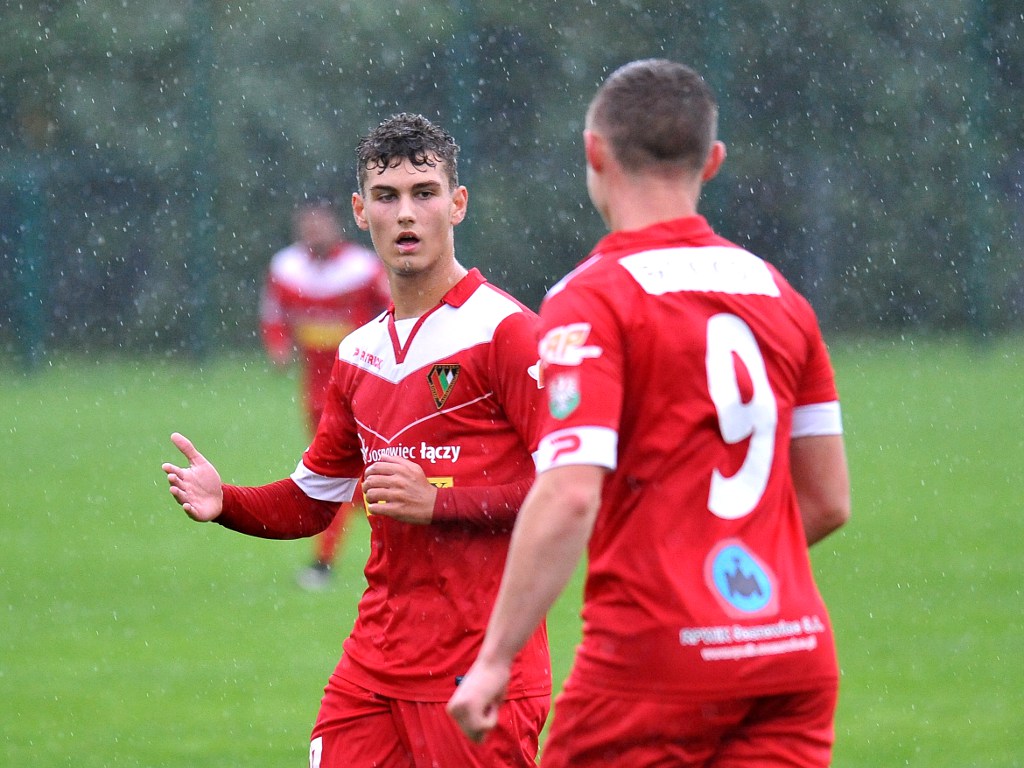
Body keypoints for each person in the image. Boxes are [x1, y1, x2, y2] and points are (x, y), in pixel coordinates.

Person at [448, 59, 852, 767]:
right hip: (790, 651)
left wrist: (494, 659)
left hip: (655, 658)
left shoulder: (591, 298)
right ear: (713, 161)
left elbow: (570, 493)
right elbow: (827, 500)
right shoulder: (780, 295)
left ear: (594, 152)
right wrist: (729, 582)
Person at [162, 113, 550, 768]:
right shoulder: (359, 353)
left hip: (479, 668)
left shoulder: (508, 332)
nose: (406, 213)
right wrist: (225, 501)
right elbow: (313, 500)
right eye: (386, 196)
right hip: (373, 668)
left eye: (425, 193)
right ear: (360, 211)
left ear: (457, 204)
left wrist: (440, 503)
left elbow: (570, 490)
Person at [260, 198, 390, 589]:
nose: (313, 230)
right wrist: (278, 345)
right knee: (350, 475)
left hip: (361, 383)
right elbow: (273, 314)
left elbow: (395, 308)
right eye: (307, 223)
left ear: (336, 224)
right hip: (315, 388)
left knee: (338, 472)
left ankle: (324, 561)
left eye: (320, 222)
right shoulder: (286, 267)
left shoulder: (362, 268)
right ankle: (408, 532)